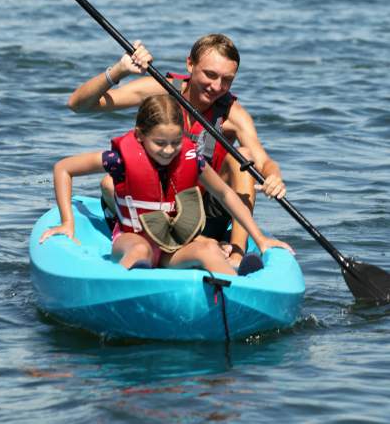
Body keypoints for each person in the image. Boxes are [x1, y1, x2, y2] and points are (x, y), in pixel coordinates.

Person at [68, 34, 287, 269]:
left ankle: (236, 255)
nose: (217, 87)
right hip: (148, 205)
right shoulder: (159, 88)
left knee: (244, 158)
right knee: (108, 183)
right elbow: (79, 105)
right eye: (210, 75)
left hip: (199, 212)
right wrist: (119, 71)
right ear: (190, 64)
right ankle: (187, 244)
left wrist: (274, 177)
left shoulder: (233, 115)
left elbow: (264, 162)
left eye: (227, 80)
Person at [40, 94, 292, 275]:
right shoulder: (119, 159)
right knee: (140, 251)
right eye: (160, 143)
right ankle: (126, 285)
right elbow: (64, 168)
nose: (169, 150)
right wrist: (67, 222)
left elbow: (226, 195)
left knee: (208, 250)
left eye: (176, 142)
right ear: (139, 135)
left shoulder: (193, 162)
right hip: (133, 238)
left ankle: (236, 290)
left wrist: (260, 239)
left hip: (174, 245)